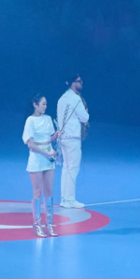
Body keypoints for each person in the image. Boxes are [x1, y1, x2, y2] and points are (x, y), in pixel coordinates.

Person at [23, 94, 61, 238]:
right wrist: (47, 152)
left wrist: (56, 135)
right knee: (38, 191)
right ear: (35, 104)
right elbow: (31, 144)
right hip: (37, 158)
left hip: (49, 158)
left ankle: (49, 225)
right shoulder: (30, 121)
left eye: (46, 104)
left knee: (49, 191)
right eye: (43, 104)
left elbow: (48, 139)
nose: (45, 106)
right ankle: (37, 225)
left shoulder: (48, 119)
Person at [56, 75, 90, 208]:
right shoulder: (76, 99)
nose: (81, 83)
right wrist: (86, 112)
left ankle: (64, 199)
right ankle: (70, 200)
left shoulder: (62, 98)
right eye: (79, 81)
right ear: (73, 83)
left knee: (66, 168)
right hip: (73, 137)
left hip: (63, 137)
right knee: (73, 168)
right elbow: (84, 118)